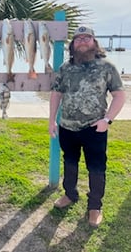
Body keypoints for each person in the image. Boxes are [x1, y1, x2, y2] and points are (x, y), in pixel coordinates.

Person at [49, 25, 125, 228]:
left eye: (87, 38)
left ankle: (94, 207)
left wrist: (107, 120)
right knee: (70, 162)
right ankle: (70, 195)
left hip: (95, 129)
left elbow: (119, 95)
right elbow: (56, 94)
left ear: (94, 42)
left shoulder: (106, 66)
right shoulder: (65, 68)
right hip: (67, 127)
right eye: (78, 38)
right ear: (73, 45)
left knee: (96, 167)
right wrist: (52, 121)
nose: (82, 41)